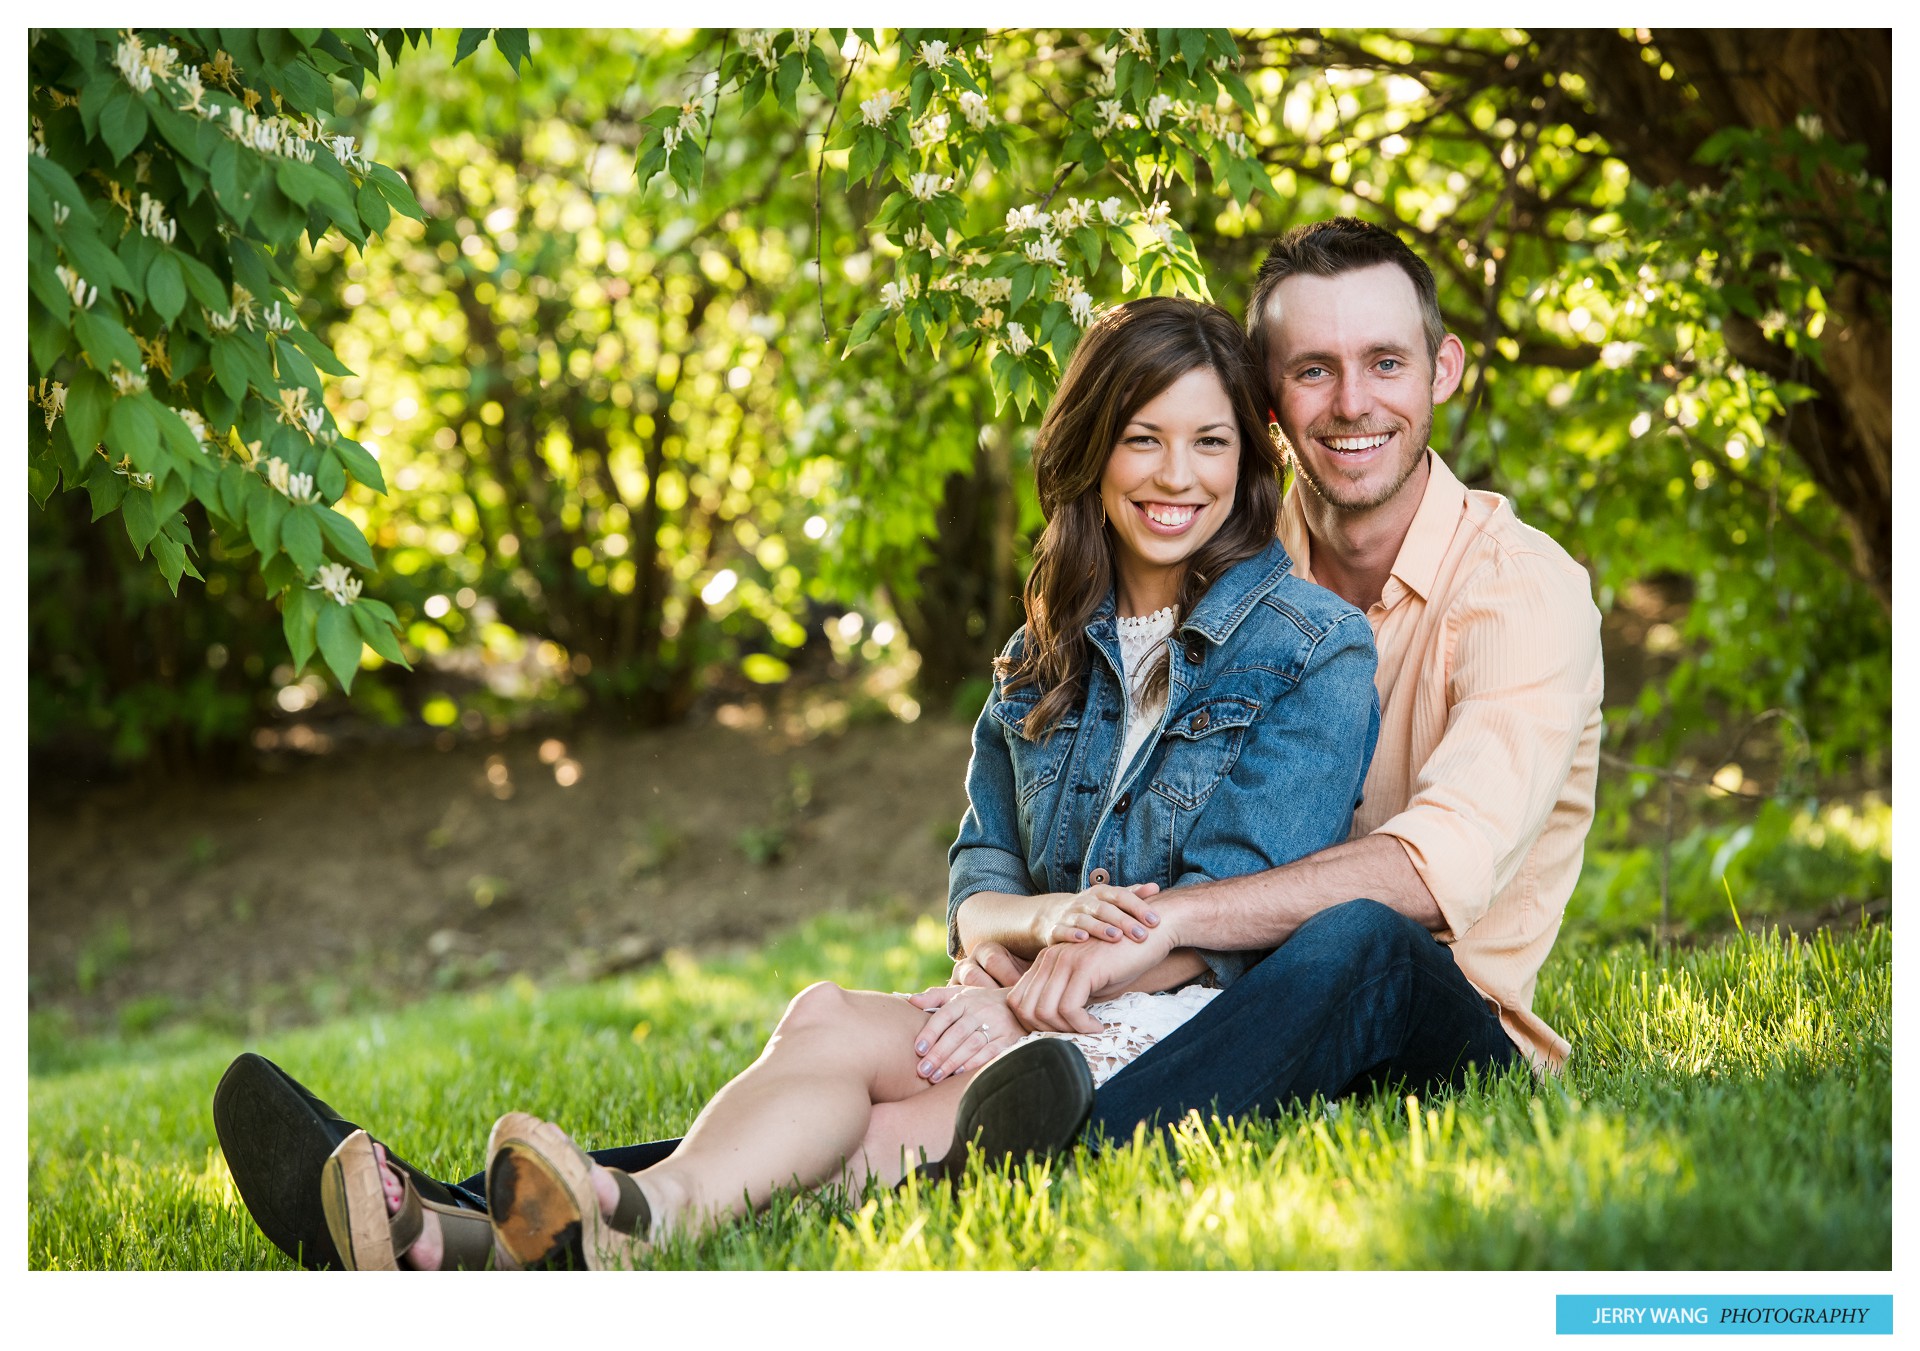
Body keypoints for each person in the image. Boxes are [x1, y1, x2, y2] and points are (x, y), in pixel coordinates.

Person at [257, 296, 1379, 1270]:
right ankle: (626, 1217)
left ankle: (470, 1243)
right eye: (1144, 438)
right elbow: (979, 876)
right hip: (1026, 987)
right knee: (827, 1015)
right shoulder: (1042, 650)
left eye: (1210, 443)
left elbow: (1238, 905)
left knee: (895, 1125)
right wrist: (1012, 943)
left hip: (1178, 1024)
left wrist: (1047, 986)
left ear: (1248, 459)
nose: (1177, 476)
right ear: (1092, 449)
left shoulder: (1308, 644)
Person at [953, 217, 1605, 1140]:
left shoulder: (1525, 591)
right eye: (1312, 370)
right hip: (1196, 1005)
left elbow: (1434, 869)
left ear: (1443, 371)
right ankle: (730, 1162)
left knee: (1362, 935)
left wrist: (1172, 920)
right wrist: (1035, 944)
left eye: (1386, 363)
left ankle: (1072, 1145)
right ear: (1268, 398)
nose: (1351, 403)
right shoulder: (1219, 573)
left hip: (1428, 1027)